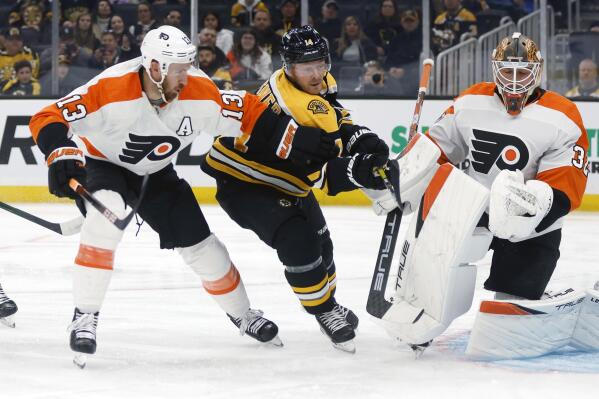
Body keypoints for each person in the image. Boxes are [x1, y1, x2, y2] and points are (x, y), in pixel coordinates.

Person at [29, 25, 338, 364]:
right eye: (178, 68)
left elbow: (249, 111)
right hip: (105, 166)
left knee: (202, 247)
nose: (186, 75)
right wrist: (60, 153)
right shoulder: (111, 88)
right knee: (106, 220)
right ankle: (84, 316)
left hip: (157, 175)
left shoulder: (197, 90)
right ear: (155, 67)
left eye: (188, 65)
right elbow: (49, 116)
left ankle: (244, 315)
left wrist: (296, 139)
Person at [374, 32, 589, 355]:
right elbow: (437, 149)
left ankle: (532, 298)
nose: (514, 81)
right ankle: (424, 309)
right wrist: (402, 176)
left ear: (538, 71)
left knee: (509, 315)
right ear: (494, 70)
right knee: (431, 281)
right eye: (507, 71)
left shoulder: (563, 115)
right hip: (472, 208)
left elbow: (564, 185)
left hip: (527, 222)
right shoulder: (470, 101)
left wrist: (533, 207)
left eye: (522, 72)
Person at [201, 26, 390, 353]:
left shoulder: (312, 83)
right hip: (246, 183)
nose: (317, 74)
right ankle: (324, 310)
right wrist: (361, 171)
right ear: (289, 67)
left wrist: (357, 137)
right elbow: (319, 174)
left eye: (320, 63)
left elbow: (333, 116)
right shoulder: (290, 106)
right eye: (307, 67)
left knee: (322, 245)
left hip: (286, 177)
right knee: (299, 242)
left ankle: (326, 302)